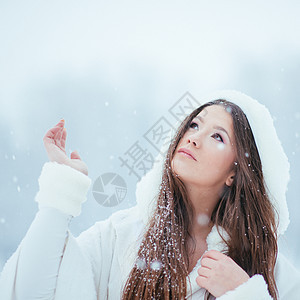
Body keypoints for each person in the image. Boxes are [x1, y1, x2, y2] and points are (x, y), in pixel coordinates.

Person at [0, 90, 299, 300]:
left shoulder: (267, 268)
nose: (193, 137)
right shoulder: (121, 237)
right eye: (194, 124)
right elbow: (31, 291)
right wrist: (60, 195)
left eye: (217, 136)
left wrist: (243, 294)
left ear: (235, 172)